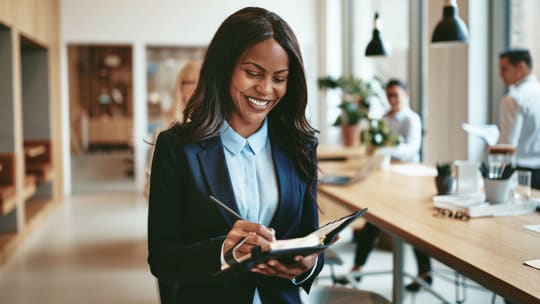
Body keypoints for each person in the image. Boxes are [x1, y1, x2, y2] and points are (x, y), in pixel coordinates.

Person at [147, 7, 323, 304]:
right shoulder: (177, 148)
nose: (266, 89)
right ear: (224, 67)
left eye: (279, 78)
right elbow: (163, 260)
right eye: (253, 73)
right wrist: (222, 252)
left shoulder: (300, 147)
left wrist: (308, 266)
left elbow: (309, 240)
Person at [352, 79, 431, 292]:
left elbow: (411, 148)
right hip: (385, 178)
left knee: (414, 228)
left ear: (407, 94)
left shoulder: (411, 119)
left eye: (396, 94)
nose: (392, 99)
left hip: (408, 180)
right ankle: (357, 267)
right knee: (373, 219)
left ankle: (425, 272)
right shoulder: (384, 119)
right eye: (389, 95)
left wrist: (387, 148)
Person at [498, 48, 540, 190]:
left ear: (521, 67)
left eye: (504, 69)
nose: (500, 75)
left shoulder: (514, 98)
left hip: (522, 174)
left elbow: (508, 145)